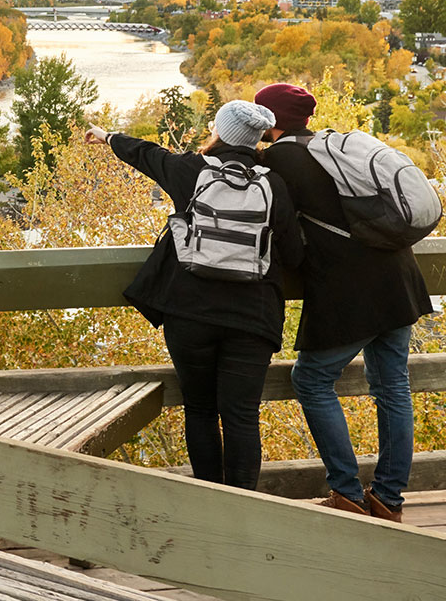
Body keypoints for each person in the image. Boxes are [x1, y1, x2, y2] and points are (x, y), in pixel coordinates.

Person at [87, 100, 303, 490]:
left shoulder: (191, 170)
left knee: (200, 410)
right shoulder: (274, 185)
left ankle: (209, 501)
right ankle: (243, 507)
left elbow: (148, 155)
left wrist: (107, 137)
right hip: (252, 319)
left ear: (220, 132)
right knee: (241, 416)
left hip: (190, 312)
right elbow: (295, 253)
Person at [255, 82, 434, 521]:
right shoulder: (329, 149)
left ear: (272, 121)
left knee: (312, 380)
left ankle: (347, 492)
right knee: (392, 387)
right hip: (398, 277)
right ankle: (388, 499)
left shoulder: (281, 158)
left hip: (352, 288)